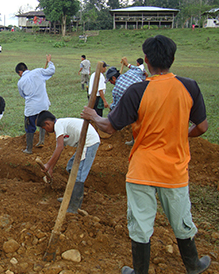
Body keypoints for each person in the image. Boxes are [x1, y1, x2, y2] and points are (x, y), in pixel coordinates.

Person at [81, 35, 210, 274]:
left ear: (147, 60)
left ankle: (140, 272)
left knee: (140, 224)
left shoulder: (138, 91)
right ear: (172, 59)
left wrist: (93, 116)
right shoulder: (189, 86)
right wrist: (180, 134)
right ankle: (193, 265)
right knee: (181, 219)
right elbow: (202, 127)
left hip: (143, 169)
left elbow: (110, 126)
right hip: (175, 170)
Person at [37, 111, 100, 213]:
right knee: (70, 167)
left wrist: (48, 165)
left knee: (79, 175)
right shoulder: (60, 125)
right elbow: (59, 149)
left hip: (89, 143)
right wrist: (51, 169)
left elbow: (60, 147)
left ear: (48, 123)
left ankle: (74, 206)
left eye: (45, 128)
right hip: (83, 144)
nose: (47, 131)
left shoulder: (58, 125)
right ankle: (70, 197)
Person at [16, 54, 55, 154]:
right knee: (43, 121)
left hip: (31, 108)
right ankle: (41, 141)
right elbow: (51, 71)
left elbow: (23, 95)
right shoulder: (38, 72)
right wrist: (49, 61)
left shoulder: (21, 82)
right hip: (43, 105)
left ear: (20, 72)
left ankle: (29, 149)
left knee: (29, 127)